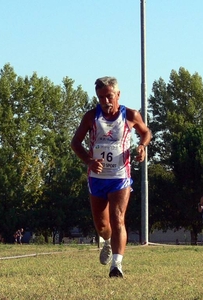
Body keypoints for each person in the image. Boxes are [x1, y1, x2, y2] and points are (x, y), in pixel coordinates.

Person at [71, 76, 151, 278]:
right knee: (103, 226)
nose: (105, 101)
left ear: (118, 95)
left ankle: (116, 265)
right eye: (101, 98)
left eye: (109, 96)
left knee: (118, 219)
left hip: (120, 176)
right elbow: (75, 143)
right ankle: (106, 241)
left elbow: (146, 132)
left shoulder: (131, 115)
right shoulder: (91, 117)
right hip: (97, 178)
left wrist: (141, 146)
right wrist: (89, 161)